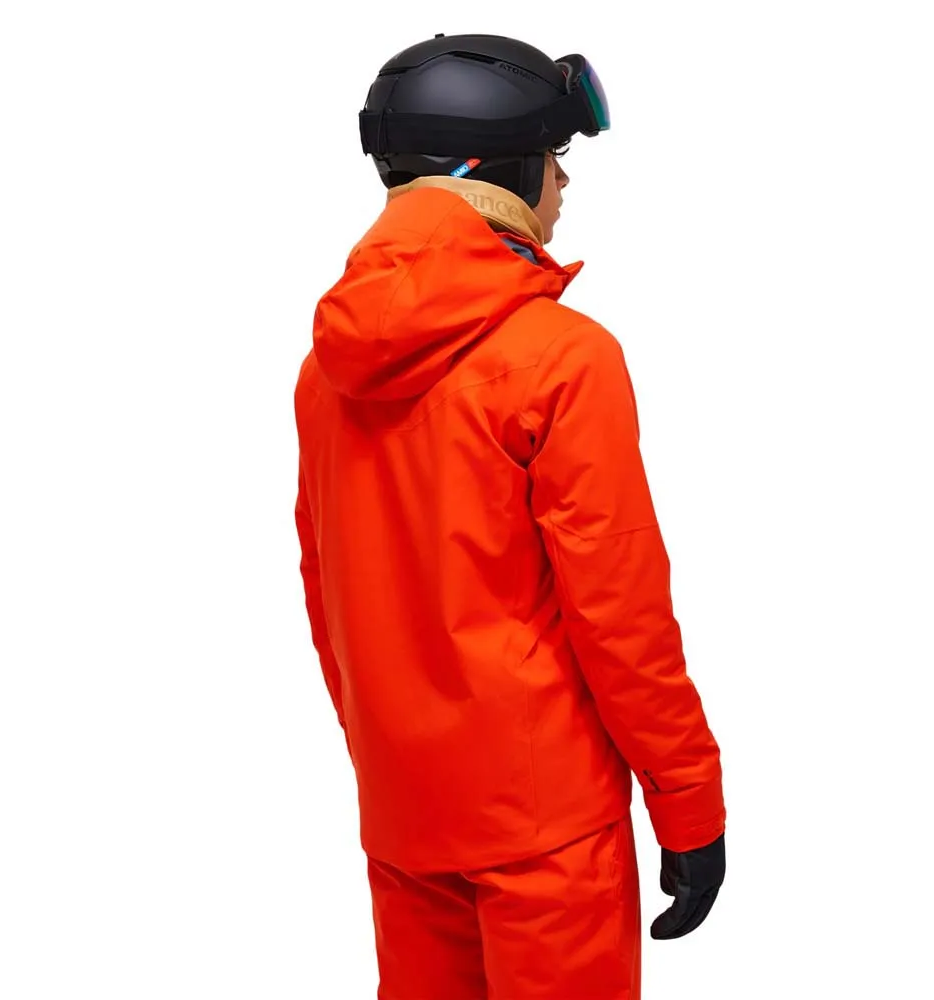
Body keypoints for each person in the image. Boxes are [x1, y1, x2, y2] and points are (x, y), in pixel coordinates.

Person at [294, 32, 726, 999]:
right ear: (495, 172)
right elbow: (621, 616)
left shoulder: (327, 372)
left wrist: (393, 766)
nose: (564, 183)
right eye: (553, 158)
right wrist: (689, 804)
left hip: (405, 821)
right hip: (548, 832)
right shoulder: (563, 358)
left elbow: (329, 601)